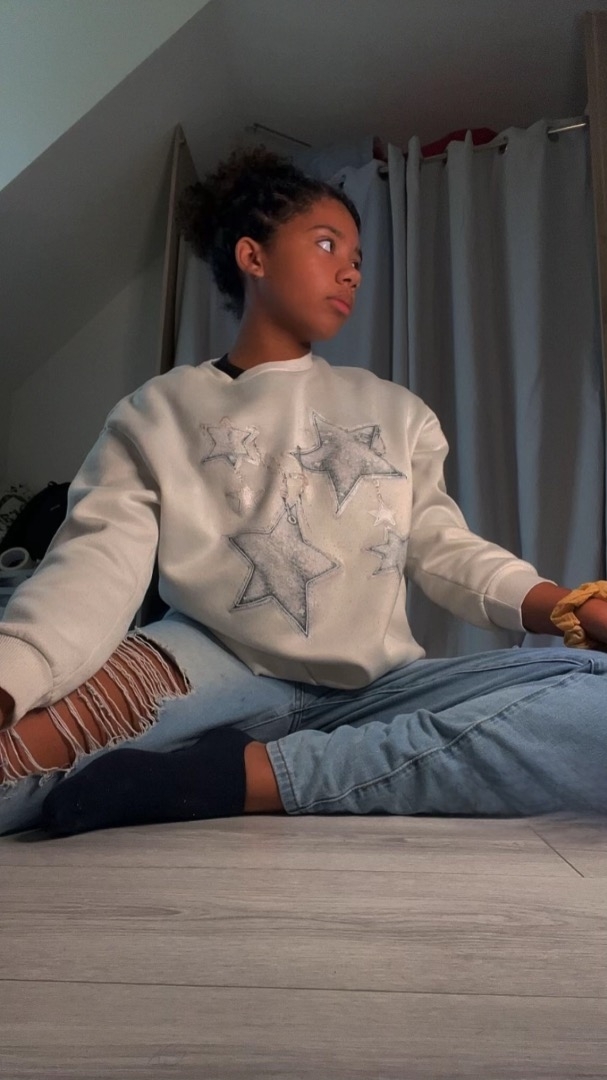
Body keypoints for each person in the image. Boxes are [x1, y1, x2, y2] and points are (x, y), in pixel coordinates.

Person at [0, 145, 606, 839]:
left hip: (378, 691)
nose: (351, 270)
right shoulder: (157, 411)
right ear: (252, 256)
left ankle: (244, 777)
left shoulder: (397, 412)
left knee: (594, 704)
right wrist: (12, 674)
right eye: (326, 244)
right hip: (206, 663)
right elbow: (94, 567)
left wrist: (569, 606)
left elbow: (443, 549)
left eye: (357, 257)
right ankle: (325, 771)